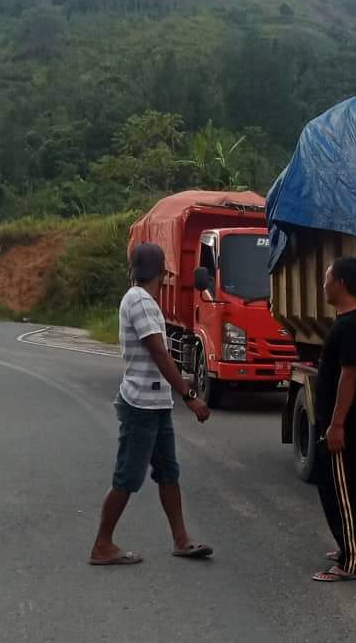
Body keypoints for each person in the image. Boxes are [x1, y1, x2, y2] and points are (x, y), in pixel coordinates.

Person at [89, 242, 213, 565]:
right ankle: (102, 545)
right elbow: (158, 351)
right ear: (162, 273)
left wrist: (177, 390)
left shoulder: (144, 301)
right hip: (141, 405)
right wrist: (188, 396)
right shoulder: (140, 300)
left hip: (155, 404)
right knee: (128, 477)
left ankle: (181, 539)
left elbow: (159, 353)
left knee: (168, 472)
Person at [312, 256, 356, 583]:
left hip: (343, 426)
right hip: (338, 424)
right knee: (344, 488)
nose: (323, 285)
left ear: (341, 284)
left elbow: (348, 377)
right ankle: (349, 547)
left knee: (343, 490)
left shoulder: (353, 326)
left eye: (327, 279)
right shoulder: (349, 322)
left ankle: (352, 562)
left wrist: (336, 424)